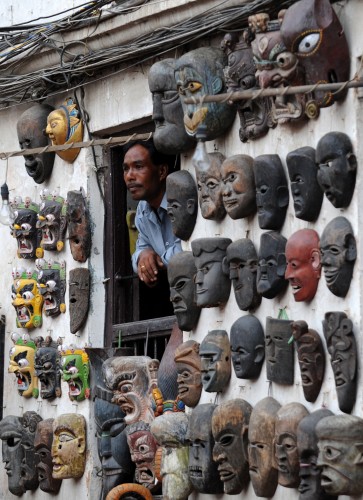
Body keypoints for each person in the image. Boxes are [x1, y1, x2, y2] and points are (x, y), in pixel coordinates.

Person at [123, 139, 182, 286]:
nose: (129, 176)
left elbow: (188, 248)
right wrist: (143, 256)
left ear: (161, 171)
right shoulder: (143, 209)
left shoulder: (181, 200)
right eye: (126, 168)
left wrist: (156, 262)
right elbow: (140, 251)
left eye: (138, 166)